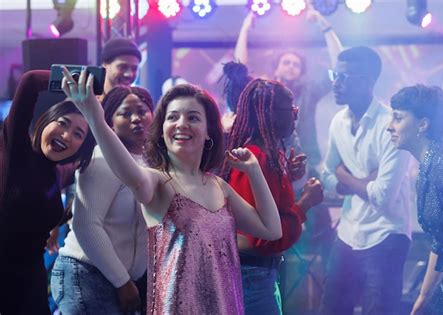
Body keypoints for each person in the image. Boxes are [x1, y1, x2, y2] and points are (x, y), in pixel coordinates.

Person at [61, 68, 283, 314]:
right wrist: (95, 118)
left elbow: (271, 230)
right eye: (173, 117)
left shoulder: (219, 186)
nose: (181, 124)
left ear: (209, 130)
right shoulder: (157, 181)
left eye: (193, 117)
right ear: (162, 128)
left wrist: (254, 171)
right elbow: (129, 174)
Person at [319, 46, 412, 315]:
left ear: (369, 81)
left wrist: (343, 174)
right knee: (331, 310)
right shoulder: (338, 121)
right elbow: (327, 174)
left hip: (387, 234)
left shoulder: (390, 125)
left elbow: (383, 197)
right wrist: (357, 181)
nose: (336, 83)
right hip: (348, 232)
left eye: (344, 77)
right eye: (334, 74)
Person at [221, 78, 324, 314]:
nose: (296, 117)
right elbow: (265, 238)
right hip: (252, 276)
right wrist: (305, 203)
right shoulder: (255, 160)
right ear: (272, 115)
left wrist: (288, 175)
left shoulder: (267, 155)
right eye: (292, 110)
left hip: (257, 272)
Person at [50, 86, 153, 314]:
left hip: (123, 280)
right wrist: (122, 282)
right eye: (125, 113)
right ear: (109, 122)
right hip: (87, 273)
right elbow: (86, 225)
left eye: (142, 111)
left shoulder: (151, 162)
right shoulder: (101, 157)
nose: (136, 119)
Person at [0, 70, 95, 315]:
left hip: (30, 281)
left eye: (78, 134)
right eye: (62, 124)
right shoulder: (16, 152)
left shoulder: (58, 171)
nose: (66, 135)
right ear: (46, 120)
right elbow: (30, 81)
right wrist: (82, 78)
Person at [387, 84, 443, 315]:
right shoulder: (428, 165)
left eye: (398, 118)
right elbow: (442, 238)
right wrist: (424, 295)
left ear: (423, 124)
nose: (389, 127)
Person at [234, 8, 343, 174]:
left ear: (301, 72)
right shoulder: (262, 92)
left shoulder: (309, 92)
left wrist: (325, 26)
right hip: (267, 164)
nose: (291, 67)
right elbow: (238, 70)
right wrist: (245, 29)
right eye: (286, 63)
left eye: (296, 64)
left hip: (305, 164)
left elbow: (338, 69)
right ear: (276, 69)